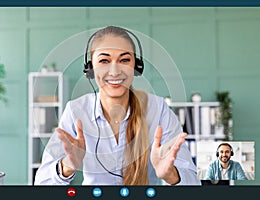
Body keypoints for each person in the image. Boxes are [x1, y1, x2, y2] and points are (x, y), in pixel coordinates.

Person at [34, 25, 200, 185]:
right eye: (104, 60)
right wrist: (67, 166)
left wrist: (171, 175)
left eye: (125, 60)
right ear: (90, 68)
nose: (114, 71)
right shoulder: (76, 111)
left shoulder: (158, 109)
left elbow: (192, 183)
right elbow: (42, 183)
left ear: (136, 65)